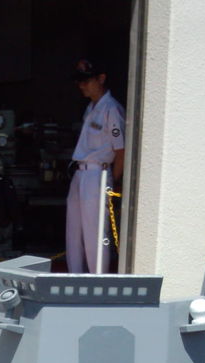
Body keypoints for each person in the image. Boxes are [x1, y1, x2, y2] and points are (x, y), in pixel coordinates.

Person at [66, 57, 124, 274]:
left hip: (98, 173)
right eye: (79, 81)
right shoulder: (91, 108)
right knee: (74, 233)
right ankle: (74, 279)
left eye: (86, 80)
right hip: (81, 172)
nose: (82, 85)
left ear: (101, 79)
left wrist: (113, 182)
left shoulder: (111, 109)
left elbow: (121, 151)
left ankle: (97, 280)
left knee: (95, 234)